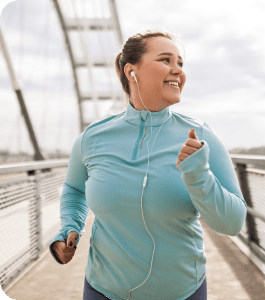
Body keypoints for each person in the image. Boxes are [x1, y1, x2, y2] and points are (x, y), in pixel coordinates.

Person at [49, 30, 247, 300]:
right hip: (103, 290)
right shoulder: (92, 138)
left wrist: (199, 176)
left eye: (180, 63)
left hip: (182, 293)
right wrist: (70, 226)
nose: (177, 70)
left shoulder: (201, 136)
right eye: (166, 60)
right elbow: (74, 188)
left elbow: (233, 223)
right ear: (132, 71)